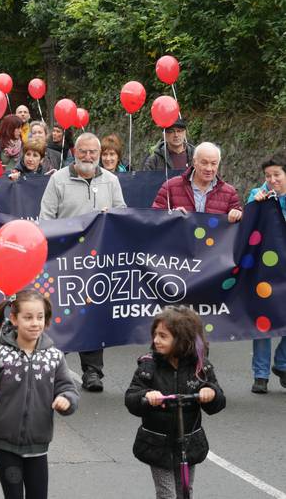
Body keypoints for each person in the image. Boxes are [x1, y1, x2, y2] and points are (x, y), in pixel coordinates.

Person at [0, 290, 79, 499]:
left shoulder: (54, 356)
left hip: (38, 443)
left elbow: (68, 389)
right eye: (28, 317)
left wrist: (66, 400)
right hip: (3, 442)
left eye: (40, 317)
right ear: (14, 318)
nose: (35, 323)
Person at [39, 133, 126, 392]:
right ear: (74, 152)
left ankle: (93, 372)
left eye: (93, 153)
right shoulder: (58, 179)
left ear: (99, 155)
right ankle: (55, 368)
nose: (88, 157)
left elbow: (122, 213)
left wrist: (114, 215)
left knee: (94, 314)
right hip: (64, 259)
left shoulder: (111, 180)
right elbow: (46, 216)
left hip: (98, 260)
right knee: (61, 314)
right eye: (83, 152)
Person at [125, 306, 226, 499]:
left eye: (163, 336)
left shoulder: (200, 367)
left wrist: (210, 392)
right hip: (157, 443)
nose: (156, 340)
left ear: (182, 340)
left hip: (188, 442)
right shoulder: (149, 366)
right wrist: (147, 396)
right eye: (155, 334)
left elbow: (219, 402)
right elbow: (131, 398)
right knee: (167, 495)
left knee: (185, 492)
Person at [246, 151, 286, 393]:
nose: (272, 180)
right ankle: (260, 375)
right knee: (263, 322)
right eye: (268, 176)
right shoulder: (258, 195)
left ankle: (282, 363)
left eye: (277, 175)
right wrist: (255, 205)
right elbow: (247, 223)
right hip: (265, 269)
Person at [151, 142, 242, 222]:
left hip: (213, 242)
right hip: (179, 240)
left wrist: (238, 215)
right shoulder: (170, 186)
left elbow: (239, 224)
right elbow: (154, 217)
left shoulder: (229, 192)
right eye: (204, 163)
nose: (209, 168)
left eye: (213, 163)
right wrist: (171, 216)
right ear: (194, 162)